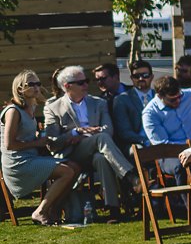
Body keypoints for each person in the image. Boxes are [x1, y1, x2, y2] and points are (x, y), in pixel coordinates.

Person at [44, 64, 135, 220]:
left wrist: (91, 134)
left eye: (86, 81)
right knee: (101, 138)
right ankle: (130, 176)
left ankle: (113, 208)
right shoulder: (53, 108)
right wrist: (74, 132)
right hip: (72, 153)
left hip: (98, 149)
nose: (87, 85)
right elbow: (52, 143)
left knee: (101, 158)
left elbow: (108, 130)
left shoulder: (98, 103)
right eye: (81, 83)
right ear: (67, 86)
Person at [3, 70, 81, 224]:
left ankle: (53, 209)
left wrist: (39, 138)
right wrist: (37, 143)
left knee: (75, 167)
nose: (36, 87)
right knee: (66, 172)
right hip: (18, 163)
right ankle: (40, 211)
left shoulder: (31, 108)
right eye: (31, 84)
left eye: (38, 83)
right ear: (20, 89)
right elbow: (9, 144)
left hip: (31, 157)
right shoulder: (13, 111)